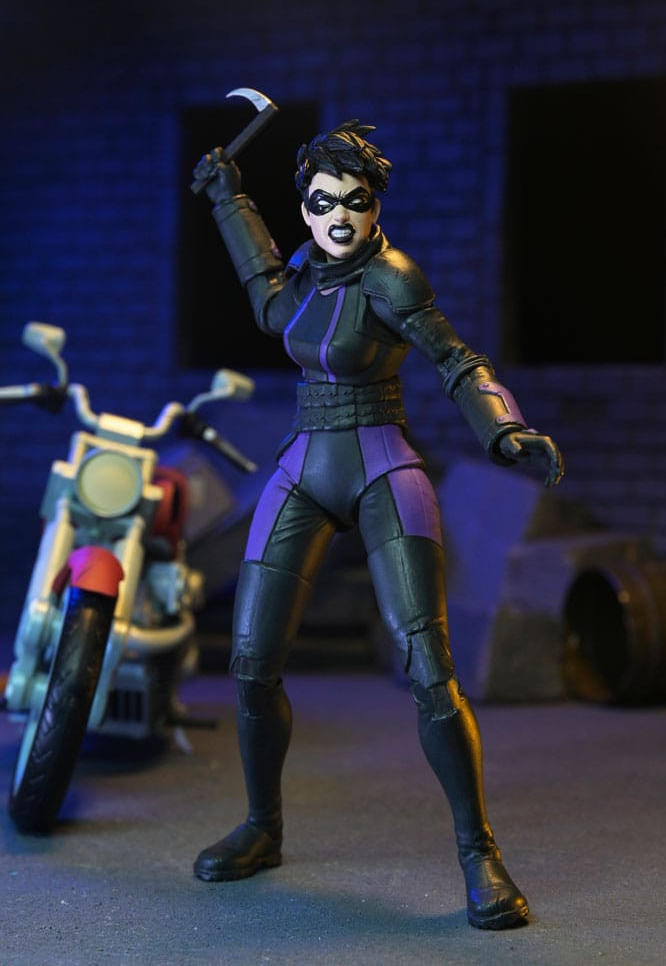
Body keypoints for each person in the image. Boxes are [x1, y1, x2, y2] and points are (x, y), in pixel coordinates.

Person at [191, 120, 563, 930]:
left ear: (374, 207)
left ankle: (480, 855)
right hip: (304, 462)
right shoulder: (302, 272)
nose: (339, 218)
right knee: (251, 661)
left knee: (429, 668)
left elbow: (456, 358)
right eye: (323, 203)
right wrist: (229, 198)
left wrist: (504, 425)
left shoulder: (392, 279)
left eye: (354, 203)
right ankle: (263, 827)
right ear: (305, 207)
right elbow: (265, 297)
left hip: (382, 465)